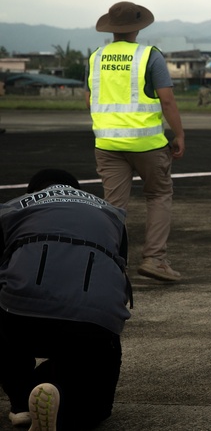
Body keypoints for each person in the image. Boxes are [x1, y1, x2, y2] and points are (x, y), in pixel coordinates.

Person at [0, 169, 132, 430]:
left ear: (33, 192)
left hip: (22, 314)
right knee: (93, 387)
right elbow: (119, 270)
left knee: (6, 324)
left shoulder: (11, 209)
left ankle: (21, 402)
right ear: (78, 191)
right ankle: (63, 403)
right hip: (92, 317)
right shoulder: (112, 214)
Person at [86, 1, 185, 282]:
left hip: (107, 144)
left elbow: (89, 99)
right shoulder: (149, 56)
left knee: (114, 205)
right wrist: (179, 134)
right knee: (158, 195)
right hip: (147, 144)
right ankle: (155, 259)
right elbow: (167, 100)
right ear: (138, 28)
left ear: (111, 28)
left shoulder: (96, 58)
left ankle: (109, 261)